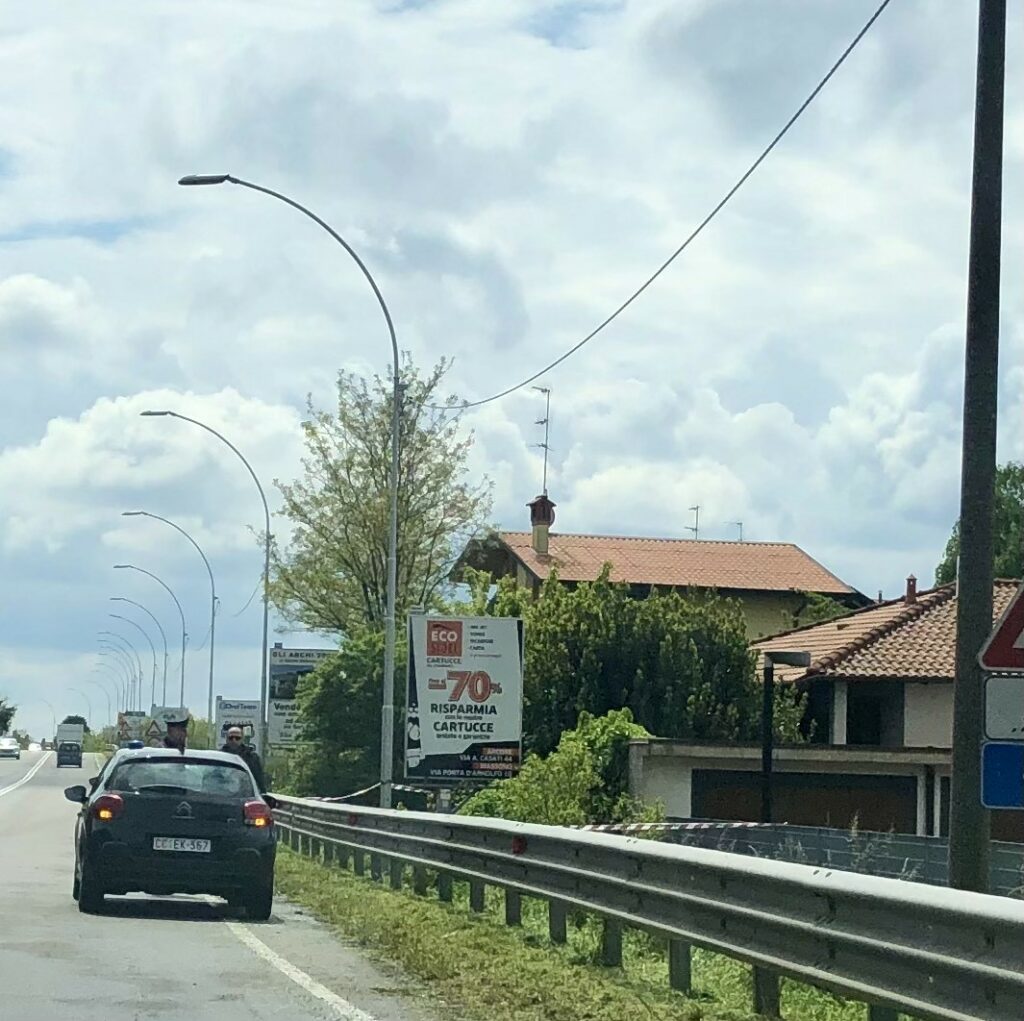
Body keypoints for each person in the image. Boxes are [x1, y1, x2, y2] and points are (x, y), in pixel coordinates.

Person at [221, 726, 265, 791]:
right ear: (226, 739)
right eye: (231, 738)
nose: (234, 740)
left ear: (242, 739)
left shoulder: (251, 757)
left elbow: (259, 779)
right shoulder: (220, 756)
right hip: (223, 793)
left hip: (245, 794)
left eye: (237, 738)